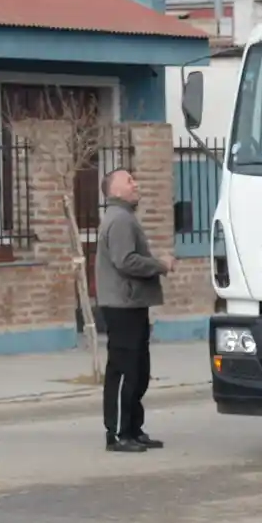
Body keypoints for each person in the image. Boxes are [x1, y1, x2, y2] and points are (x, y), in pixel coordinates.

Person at [95, 168, 170, 453]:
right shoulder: (120, 220)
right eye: (129, 180)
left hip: (132, 303)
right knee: (125, 369)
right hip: (121, 304)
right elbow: (125, 261)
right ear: (114, 191)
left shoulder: (124, 217)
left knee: (138, 368)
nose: (135, 183)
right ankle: (117, 434)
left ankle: (134, 429)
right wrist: (160, 264)